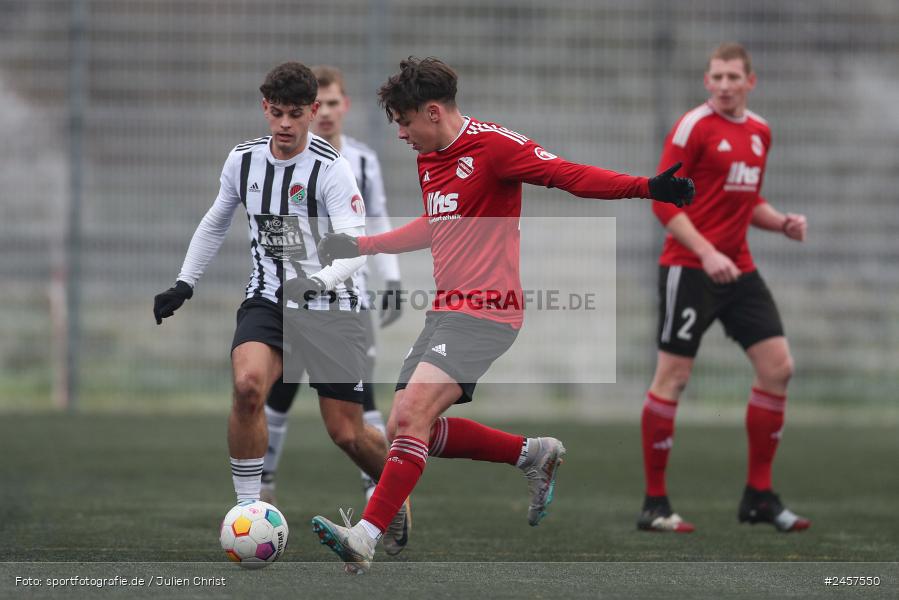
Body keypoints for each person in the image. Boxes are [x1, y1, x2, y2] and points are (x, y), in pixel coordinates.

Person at [307, 56, 695, 573]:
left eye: (404, 122)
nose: (400, 134)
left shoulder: (494, 147)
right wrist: (364, 244)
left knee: (415, 413)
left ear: (432, 112)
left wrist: (647, 187)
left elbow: (568, 175)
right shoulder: (428, 156)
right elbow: (436, 224)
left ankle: (366, 535)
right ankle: (531, 454)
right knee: (405, 420)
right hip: (446, 309)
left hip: (490, 310)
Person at [152, 62, 408, 556]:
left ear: (313, 111)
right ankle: (249, 509)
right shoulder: (242, 161)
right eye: (276, 113)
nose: (285, 124)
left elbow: (356, 246)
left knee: (347, 433)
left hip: (333, 306)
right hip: (269, 298)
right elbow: (214, 221)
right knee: (248, 387)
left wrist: (316, 282)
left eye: (296, 113)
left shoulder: (332, 168)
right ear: (264, 109)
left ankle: (395, 494)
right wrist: (185, 282)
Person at [637, 43, 810, 534]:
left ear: (751, 82)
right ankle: (654, 505)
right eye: (716, 77)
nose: (725, 85)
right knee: (673, 379)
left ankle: (758, 496)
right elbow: (664, 203)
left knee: (779, 368)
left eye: (734, 77)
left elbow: (747, 200)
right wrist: (707, 252)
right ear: (706, 81)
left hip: (738, 269)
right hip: (689, 268)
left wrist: (782, 224)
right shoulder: (692, 127)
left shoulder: (760, 132)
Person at [260, 65, 409, 553]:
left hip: (348, 299)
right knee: (278, 392)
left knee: (357, 405)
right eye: (315, 104)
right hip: (297, 297)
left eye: (331, 103)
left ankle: (379, 492)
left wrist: (389, 279)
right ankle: (261, 488)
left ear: (344, 106)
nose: (322, 112)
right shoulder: (282, 161)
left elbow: (380, 216)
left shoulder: (360, 161)